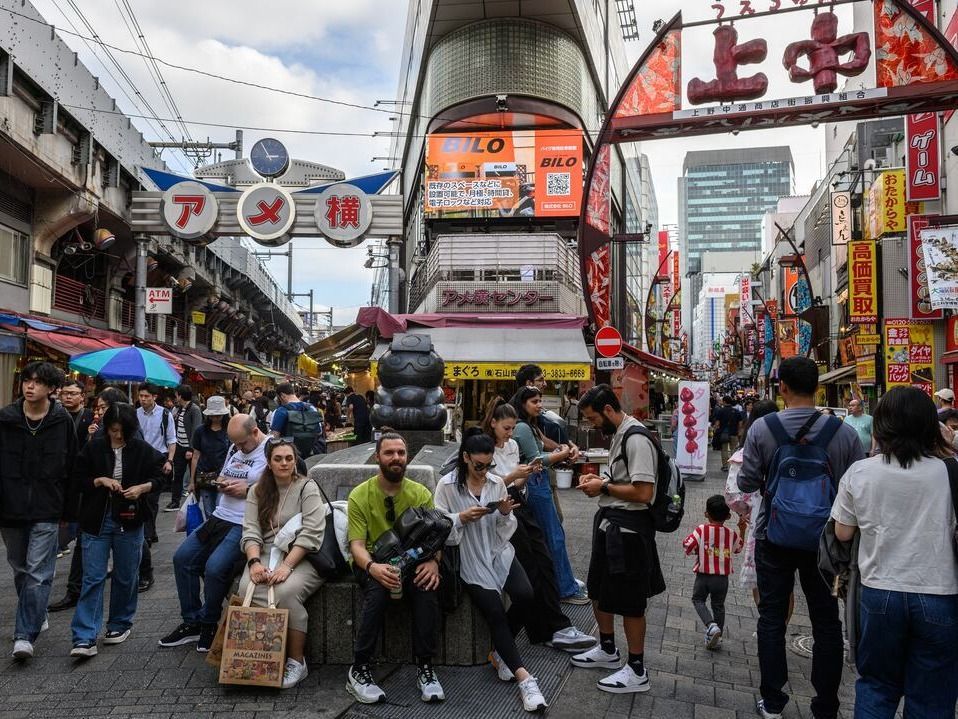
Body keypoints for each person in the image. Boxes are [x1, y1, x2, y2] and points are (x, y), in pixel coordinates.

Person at [737, 356, 865, 719]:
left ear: (782, 389)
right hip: (826, 542)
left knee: (772, 619)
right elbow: (855, 486)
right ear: (819, 388)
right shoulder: (844, 433)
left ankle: (773, 701)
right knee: (826, 623)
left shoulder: (763, 429)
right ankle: (826, 706)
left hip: (773, 537)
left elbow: (746, 482)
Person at [830, 386, 958, 717]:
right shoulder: (950, 472)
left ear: (882, 425)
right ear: (931, 425)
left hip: (878, 591)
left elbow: (842, 532)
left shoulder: (861, 471)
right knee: (931, 695)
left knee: (876, 686)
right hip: (940, 593)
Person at [434, 429, 548, 712]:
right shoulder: (447, 486)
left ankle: (501, 651)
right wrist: (459, 518)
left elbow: (504, 530)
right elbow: (438, 526)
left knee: (526, 595)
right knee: (495, 611)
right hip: (470, 558)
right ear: (465, 458)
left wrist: (506, 513)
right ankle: (525, 678)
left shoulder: (496, 484)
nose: (484, 472)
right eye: (478, 466)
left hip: (498, 552)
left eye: (488, 465)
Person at [572, 384, 666, 694]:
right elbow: (622, 479)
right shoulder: (620, 434)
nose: (591, 424)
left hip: (629, 531)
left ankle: (637, 669)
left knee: (629, 603)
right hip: (611, 524)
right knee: (599, 591)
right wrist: (600, 481)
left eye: (592, 418)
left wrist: (604, 488)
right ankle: (608, 649)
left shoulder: (636, 438)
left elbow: (643, 492)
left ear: (608, 411)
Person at [482, 399, 596, 652]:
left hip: (519, 502)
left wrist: (526, 475)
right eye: (506, 428)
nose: (510, 434)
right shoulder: (485, 447)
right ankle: (547, 629)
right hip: (499, 511)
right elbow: (487, 485)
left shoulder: (511, 445)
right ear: (493, 423)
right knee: (531, 566)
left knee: (544, 559)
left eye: (512, 428)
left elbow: (515, 484)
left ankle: (556, 626)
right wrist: (514, 476)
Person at [345, 431, 444, 704]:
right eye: (389, 453)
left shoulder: (420, 492)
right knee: (377, 592)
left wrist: (433, 563)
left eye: (400, 453)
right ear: (378, 457)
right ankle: (359, 668)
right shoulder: (360, 495)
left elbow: (434, 538)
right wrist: (373, 567)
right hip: (373, 561)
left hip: (412, 562)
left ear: (407, 456)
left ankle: (425, 667)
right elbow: (356, 544)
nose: (396, 458)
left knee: (427, 587)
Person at [158, 414, 269, 652]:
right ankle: (192, 621)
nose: (239, 448)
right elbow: (222, 474)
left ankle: (209, 623)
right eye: (235, 443)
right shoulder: (233, 448)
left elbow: (287, 481)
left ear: (255, 432)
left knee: (215, 568)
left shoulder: (271, 448)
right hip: (219, 516)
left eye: (243, 443)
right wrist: (222, 483)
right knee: (183, 558)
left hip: (243, 522)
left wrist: (249, 489)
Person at [69, 403, 164, 657]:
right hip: (96, 520)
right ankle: (84, 636)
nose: (118, 435)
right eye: (113, 430)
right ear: (106, 428)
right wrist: (99, 481)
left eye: (122, 431)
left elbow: (161, 475)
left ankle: (119, 623)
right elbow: (77, 480)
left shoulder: (141, 449)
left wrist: (142, 488)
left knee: (126, 575)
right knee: (93, 577)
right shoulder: (94, 447)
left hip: (130, 520)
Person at [0, 362, 78, 660]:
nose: (29, 386)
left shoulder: (61, 421)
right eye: (26, 381)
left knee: (38, 573)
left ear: (50, 388)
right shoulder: (6, 419)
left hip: (47, 506)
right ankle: (36, 611)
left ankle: (24, 636)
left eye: (37, 382)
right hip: (10, 507)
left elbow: (71, 467)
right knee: (20, 569)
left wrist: (69, 513)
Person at [240, 438, 325, 689]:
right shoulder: (256, 490)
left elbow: (312, 533)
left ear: (295, 460)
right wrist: (255, 563)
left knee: (285, 593)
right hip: (265, 553)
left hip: (302, 555)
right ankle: (260, 659)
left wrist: (287, 566)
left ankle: (296, 662)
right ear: (268, 462)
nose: (284, 463)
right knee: (247, 589)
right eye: (278, 458)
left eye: (289, 458)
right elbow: (251, 531)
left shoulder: (307, 487)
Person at [510, 387, 587, 604]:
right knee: (553, 535)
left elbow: (545, 443)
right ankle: (565, 589)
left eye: (540, 400)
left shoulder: (531, 426)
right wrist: (562, 453)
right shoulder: (523, 427)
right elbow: (536, 459)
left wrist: (565, 447)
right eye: (535, 401)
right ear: (523, 403)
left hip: (537, 482)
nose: (540, 405)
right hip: (534, 483)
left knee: (551, 535)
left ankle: (563, 582)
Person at [724, 400, 794, 620]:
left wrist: (744, 511)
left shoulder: (743, 454)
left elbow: (733, 495)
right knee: (786, 581)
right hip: (791, 522)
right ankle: (780, 627)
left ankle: (769, 627)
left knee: (761, 578)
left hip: (759, 524)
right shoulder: (793, 447)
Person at [682, 495, 746, 651]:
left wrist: (700, 549)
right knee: (718, 606)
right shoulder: (731, 533)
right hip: (722, 579)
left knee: (698, 600)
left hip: (703, 576)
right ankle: (718, 636)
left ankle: (711, 626)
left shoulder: (701, 530)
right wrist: (742, 530)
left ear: (706, 514)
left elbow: (687, 546)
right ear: (729, 516)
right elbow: (738, 548)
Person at [135, 383, 176, 593]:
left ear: (154, 397)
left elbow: (171, 439)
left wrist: (169, 460)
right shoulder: (134, 414)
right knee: (144, 499)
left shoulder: (165, 415)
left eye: (146, 396)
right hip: (140, 460)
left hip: (158, 459)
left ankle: (149, 534)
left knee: (152, 500)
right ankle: (149, 532)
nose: (143, 399)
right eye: (140, 395)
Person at [189, 396, 232, 516]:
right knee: (209, 512)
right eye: (213, 415)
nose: (216, 418)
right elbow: (195, 456)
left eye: (218, 415)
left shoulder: (229, 430)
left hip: (223, 476)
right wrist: (192, 481)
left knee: (221, 510)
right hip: (204, 476)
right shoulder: (200, 431)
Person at [165, 384, 202, 512]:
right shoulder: (180, 409)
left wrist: (191, 449)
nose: (176, 398)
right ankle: (175, 502)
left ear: (180, 396)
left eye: (176, 395)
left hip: (189, 448)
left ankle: (195, 500)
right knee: (178, 475)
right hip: (179, 446)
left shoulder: (194, 409)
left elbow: (196, 429)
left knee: (193, 475)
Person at [270, 382, 325, 458]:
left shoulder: (280, 411)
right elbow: (319, 432)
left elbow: (274, 436)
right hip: (310, 454)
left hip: (289, 456)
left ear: (282, 396)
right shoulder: (311, 408)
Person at [711, 396, 742, 472]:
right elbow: (740, 423)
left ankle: (725, 466)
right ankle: (733, 465)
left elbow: (717, 423)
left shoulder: (721, 411)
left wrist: (715, 429)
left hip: (723, 433)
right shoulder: (736, 411)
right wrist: (738, 431)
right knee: (733, 450)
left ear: (724, 402)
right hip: (734, 433)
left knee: (724, 450)